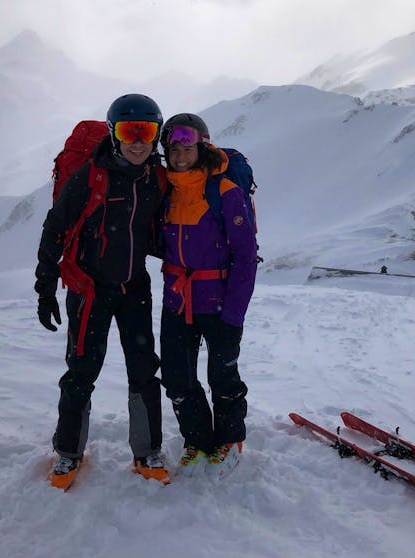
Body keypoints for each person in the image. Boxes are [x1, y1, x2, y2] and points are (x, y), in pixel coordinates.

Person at [35, 93, 170, 488]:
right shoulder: (91, 176)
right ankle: (68, 454)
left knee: (144, 370)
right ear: (114, 133)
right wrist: (46, 289)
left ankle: (147, 451)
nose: (138, 141)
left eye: (146, 131)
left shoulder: (156, 179)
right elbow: (54, 229)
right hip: (89, 289)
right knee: (81, 372)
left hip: (133, 287)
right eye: (130, 131)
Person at [157, 113, 258, 478]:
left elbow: (246, 256)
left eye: (187, 143)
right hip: (178, 302)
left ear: (202, 144)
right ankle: (197, 440)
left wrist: (235, 314)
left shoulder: (224, 191)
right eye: (172, 145)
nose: (180, 151)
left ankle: (229, 439)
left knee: (223, 375)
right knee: (177, 377)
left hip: (219, 304)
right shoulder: (166, 189)